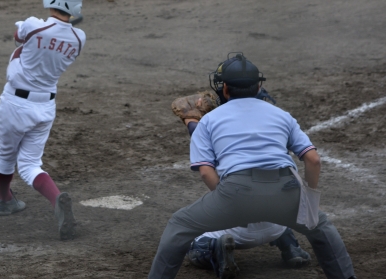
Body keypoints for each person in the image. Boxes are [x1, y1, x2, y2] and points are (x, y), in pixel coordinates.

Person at [149, 53, 357, 279]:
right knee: (321, 227)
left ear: (225, 88)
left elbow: (206, 172)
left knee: (179, 224)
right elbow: (313, 159)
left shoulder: (209, 120)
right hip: (286, 190)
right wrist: (307, 201)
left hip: (237, 192)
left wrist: (229, 201)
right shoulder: (282, 115)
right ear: (258, 86)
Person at [0, 0, 86, 241]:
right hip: (44, 108)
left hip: (14, 104)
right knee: (31, 164)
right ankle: (56, 200)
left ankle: (5, 200)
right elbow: (56, 41)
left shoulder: (33, 25)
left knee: (6, 155)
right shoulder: (79, 38)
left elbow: (17, 37)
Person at [179, 92, 312, 272]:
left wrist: (189, 119)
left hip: (238, 227)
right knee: (275, 194)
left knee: (193, 240)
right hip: (278, 224)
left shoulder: (217, 129)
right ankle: (290, 246)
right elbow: (313, 159)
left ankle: (215, 247)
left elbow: (201, 145)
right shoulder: (276, 124)